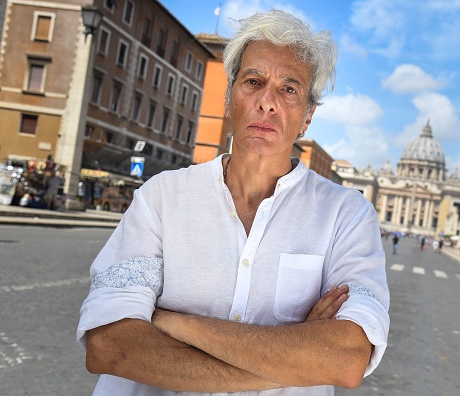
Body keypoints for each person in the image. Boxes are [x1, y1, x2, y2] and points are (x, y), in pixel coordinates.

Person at [77, 10, 390, 396]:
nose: (267, 102)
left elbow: (345, 359)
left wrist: (178, 323)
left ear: (307, 116)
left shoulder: (347, 215)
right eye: (253, 82)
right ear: (229, 99)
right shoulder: (161, 197)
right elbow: (111, 348)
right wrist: (297, 360)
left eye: (289, 89)